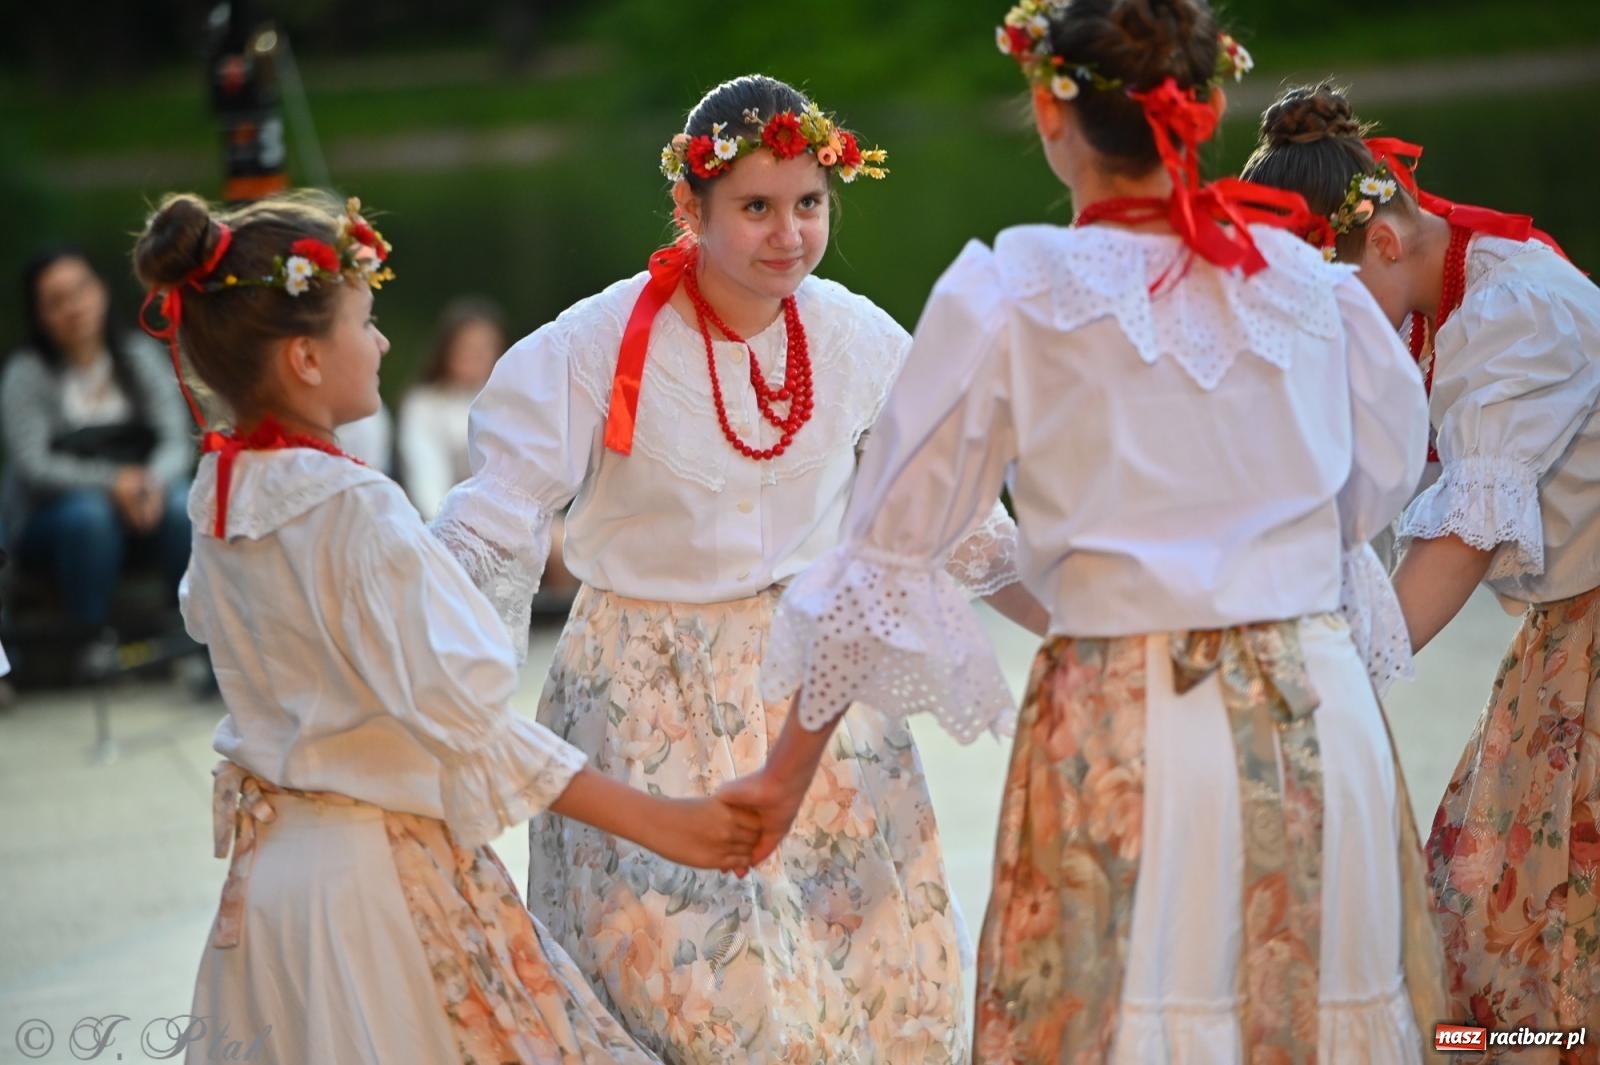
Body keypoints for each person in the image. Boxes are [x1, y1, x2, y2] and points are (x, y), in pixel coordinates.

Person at [718, 4, 1450, 1060]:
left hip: (1128, 715)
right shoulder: (1310, 286)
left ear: (1050, 110)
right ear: (1199, 113)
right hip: (1315, 706)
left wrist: (780, 779)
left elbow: (889, 548)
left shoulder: (1013, 290)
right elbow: (1371, 492)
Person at [434, 73, 1044, 1063]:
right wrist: (417, 653)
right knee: (701, 999)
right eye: (755, 208)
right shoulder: (594, 345)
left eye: (807, 205)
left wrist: (1095, 625)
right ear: (690, 207)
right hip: (644, 690)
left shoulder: (853, 335)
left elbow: (955, 525)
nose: (788, 233)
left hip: (814, 691)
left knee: (870, 987)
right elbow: (494, 521)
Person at [132, 188, 759, 1065]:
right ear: (308, 358)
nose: (384, 340)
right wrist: (665, 820)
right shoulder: (352, 507)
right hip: (376, 878)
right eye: (366, 320)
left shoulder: (219, 494)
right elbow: (469, 722)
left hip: (272, 886)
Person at [1244, 82, 1600, 1041]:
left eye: (1325, 293)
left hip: (1590, 632)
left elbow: (1464, 538)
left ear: (1386, 243)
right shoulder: (1435, 307)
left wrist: (1342, 687)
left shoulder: (1512, 307)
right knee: (1485, 919)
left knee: (1509, 924)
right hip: (1565, 636)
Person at [2, 249, 193, 637]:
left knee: (185, 505)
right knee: (89, 516)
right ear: (39, 314)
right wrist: (113, 483)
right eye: (57, 301)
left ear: (102, 291)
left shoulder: (138, 357)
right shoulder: (26, 375)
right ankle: (87, 637)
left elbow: (177, 440)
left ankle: (186, 630)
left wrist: (147, 483)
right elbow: (33, 464)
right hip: (56, 517)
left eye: (80, 291)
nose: (74, 308)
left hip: (145, 503)